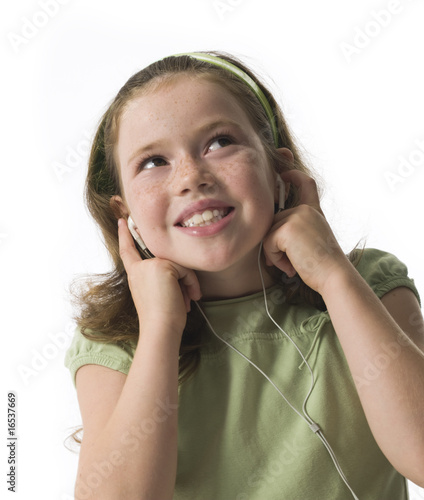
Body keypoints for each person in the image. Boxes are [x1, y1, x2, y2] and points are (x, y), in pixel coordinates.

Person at [64, 51, 424, 500]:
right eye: (154, 161)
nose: (191, 178)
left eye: (218, 143)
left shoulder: (367, 282)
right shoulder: (117, 339)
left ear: (278, 171)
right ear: (126, 214)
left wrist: (334, 275)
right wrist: (160, 327)